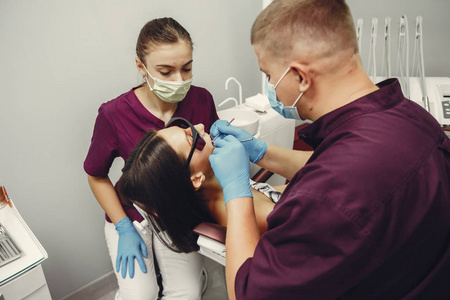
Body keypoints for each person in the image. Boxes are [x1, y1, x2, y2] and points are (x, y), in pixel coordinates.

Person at [208, 0, 450, 299]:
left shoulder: (327, 195)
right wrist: (260, 151)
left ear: (300, 77)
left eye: (269, 75)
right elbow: (338, 163)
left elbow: (247, 293)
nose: (271, 85)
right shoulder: (415, 119)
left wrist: (236, 192)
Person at [84, 18, 218, 300]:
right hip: (132, 215)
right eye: (166, 71)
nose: (179, 80)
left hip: (180, 214)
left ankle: (195, 275)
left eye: (187, 68)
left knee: (187, 293)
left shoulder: (202, 100)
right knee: (139, 296)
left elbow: (212, 155)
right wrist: (122, 226)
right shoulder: (113, 115)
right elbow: (96, 175)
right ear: (140, 67)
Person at [117, 117, 282, 253]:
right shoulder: (255, 213)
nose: (200, 126)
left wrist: (261, 152)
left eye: (186, 127)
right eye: (191, 137)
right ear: (196, 179)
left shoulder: (218, 192)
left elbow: (273, 195)